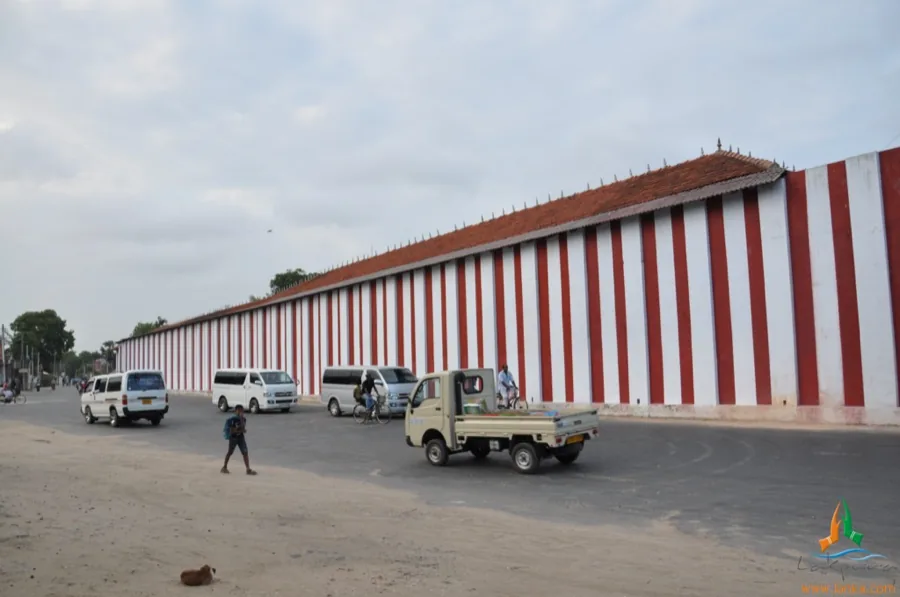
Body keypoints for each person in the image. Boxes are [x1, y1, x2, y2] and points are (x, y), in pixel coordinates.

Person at [221, 404, 257, 475]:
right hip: (233, 437)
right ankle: (224, 467)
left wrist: (242, 428)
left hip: (240, 437)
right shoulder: (232, 419)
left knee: (245, 452)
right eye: (239, 410)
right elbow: (231, 431)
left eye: (242, 411)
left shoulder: (243, 419)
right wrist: (240, 430)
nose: (241, 412)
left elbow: (242, 428)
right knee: (230, 452)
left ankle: (248, 469)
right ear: (236, 411)